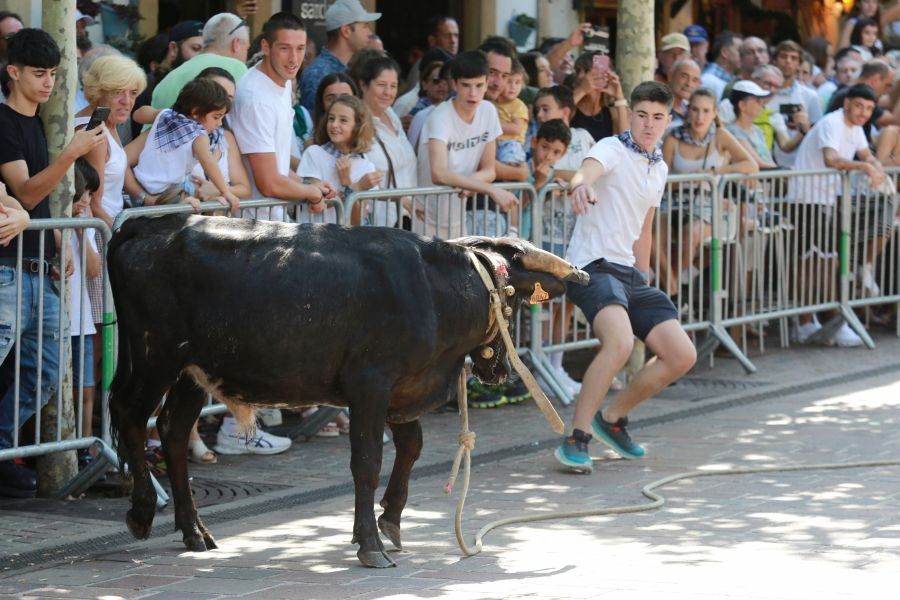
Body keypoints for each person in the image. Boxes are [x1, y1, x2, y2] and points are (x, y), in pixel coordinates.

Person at [553, 81, 697, 474]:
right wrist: (579, 188)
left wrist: (644, 275)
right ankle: (576, 437)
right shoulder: (611, 148)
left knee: (682, 354)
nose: (649, 124)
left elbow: (645, 227)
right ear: (631, 114)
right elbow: (585, 173)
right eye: (643, 115)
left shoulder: (659, 166)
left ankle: (613, 419)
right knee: (617, 344)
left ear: (668, 121)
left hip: (629, 273)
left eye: (658, 118)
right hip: (591, 265)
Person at [0, 29, 105, 497]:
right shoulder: (4, 123)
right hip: (7, 267)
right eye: (39, 74)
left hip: (38, 264)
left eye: (53, 75)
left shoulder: (39, 124)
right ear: (14, 72)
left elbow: (35, 204)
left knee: (44, 372)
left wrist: (58, 241)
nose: (47, 84)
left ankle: (2, 450)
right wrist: (72, 153)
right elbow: (25, 191)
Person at [792, 84, 884, 347]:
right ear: (847, 104)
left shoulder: (856, 129)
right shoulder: (832, 123)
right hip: (807, 199)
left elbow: (868, 155)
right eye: (859, 106)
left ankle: (829, 320)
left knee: (830, 261)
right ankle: (805, 322)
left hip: (828, 199)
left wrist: (878, 170)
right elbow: (832, 159)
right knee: (809, 263)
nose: (864, 112)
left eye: (868, 108)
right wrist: (866, 166)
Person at [230, 12, 335, 224]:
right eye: (284, 48)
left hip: (270, 218)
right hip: (251, 224)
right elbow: (269, 183)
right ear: (266, 47)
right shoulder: (255, 98)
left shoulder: (283, 80)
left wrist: (308, 184)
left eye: (300, 49)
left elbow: (275, 163)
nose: (294, 59)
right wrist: (311, 193)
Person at [657, 88, 757, 301]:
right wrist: (686, 180)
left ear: (714, 112)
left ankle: (666, 291)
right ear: (687, 111)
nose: (699, 116)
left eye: (705, 111)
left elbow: (751, 165)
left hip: (708, 206)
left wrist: (715, 172)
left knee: (691, 233)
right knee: (654, 235)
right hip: (673, 201)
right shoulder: (673, 136)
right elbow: (660, 178)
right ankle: (672, 289)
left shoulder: (720, 136)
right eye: (694, 110)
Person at [416, 50, 518, 238]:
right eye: (466, 85)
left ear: (487, 83)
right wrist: (491, 190)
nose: (473, 93)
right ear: (454, 84)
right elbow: (438, 173)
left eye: (479, 85)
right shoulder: (439, 117)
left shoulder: (488, 112)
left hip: (457, 215)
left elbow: (489, 170)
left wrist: (472, 183)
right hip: (424, 215)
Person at [133, 79, 240, 212]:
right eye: (216, 117)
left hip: (140, 187)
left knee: (196, 187)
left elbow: (137, 115)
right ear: (195, 112)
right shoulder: (199, 135)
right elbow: (209, 162)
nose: (219, 123)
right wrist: (225, 191)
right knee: (201, 194)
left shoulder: (165, 115)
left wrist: (158, 114)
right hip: (168, 194)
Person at [77, 54, 147, 228]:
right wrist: (122, 237)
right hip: (98, 233)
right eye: (117, 92)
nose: (127, 101)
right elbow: (94, 205)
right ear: (99, 91)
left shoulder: (107, 123)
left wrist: (146, 198)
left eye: (133, 93)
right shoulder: (94, 131)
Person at [298, 95, 380, 225]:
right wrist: (356, 188)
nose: (334, 125)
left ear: (357, 126)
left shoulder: (365, 163)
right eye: (331, 118)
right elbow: (316, 205)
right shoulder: (313, 154)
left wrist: (346, 182)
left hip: (348, 240)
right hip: (315, 238)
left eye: (343, 120)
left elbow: (357, 221)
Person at [68, 159, 102, 471]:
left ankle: (87, 447)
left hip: (81, 315)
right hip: (60, 315)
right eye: (82, 192)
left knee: (86, 387)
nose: (86, 200)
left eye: (90, 194)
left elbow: (94, 269)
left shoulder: (87, 221)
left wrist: (81, 231)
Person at [358, 55, 418, 226]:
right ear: (363, 84)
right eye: (381, 85)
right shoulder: (356, 122)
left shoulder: (392, 114)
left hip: (405, 218)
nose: (388, 92)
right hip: (377, 222)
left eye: (393, 86)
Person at [150, 14, 250, 113]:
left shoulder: (167, 80)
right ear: (236, 44)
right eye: (247, 48)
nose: (246, 56)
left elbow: (150, 127)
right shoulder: (237, 68)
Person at [299, 0, 381, 112]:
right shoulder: (317, 73)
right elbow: (315, 123)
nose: (369, 32)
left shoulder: (355, 68)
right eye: (364, 26)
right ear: (346, 31)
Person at [771, 40, 823, 167]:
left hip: (799, 165)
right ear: (775, 60)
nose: (788, 61)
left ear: (799, 64)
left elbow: (817, 131)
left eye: (793, 58)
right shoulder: (763, 94)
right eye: (783, 56)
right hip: (767, 164)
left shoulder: (810, 96)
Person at [395, 16, 459, 117]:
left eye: (456, 35)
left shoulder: (456, 105)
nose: (453, 41)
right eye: (447, 35)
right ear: (424, 82)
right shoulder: (407, 105)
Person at [570, 51, 628, 142]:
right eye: (578, 71)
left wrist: (619, 97)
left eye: (585, 70)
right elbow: (559, 116)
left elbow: (627, 143)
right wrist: (582, 90)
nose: (580, 76)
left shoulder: (612, 113)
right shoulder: (572, 107)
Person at [727, 81, 779, 169]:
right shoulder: (732, 131)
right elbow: (758, 163)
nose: (762, 105)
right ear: (742, 105)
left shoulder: (757, 130)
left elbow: (768, 160)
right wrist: (784, 171)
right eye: (757, 101)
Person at [494, 59, 530, 164]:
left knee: (509, 164)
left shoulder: (519, 106)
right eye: (509, 81)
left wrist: (493, 124)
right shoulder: (492, 102)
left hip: (511, 144)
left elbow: (516, 128)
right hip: (495, 143)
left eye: (517, 82)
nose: (513, 87)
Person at [700, 30, 742, 100]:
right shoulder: (707, 80)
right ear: (724, 52)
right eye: (739, 51)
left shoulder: (733, 79)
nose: (743, 55)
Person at [667, 59, 702, 128]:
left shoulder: (688, 108)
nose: (689, 84)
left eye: (694, 80)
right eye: (685, 76)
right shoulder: (659, 106)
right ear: (670, 76)